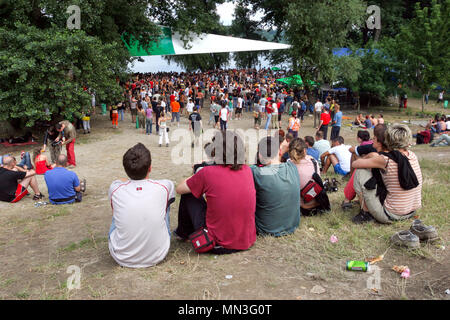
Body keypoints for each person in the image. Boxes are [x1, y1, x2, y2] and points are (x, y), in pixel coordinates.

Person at [174, 131, 256, 254]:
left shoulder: (207, 173)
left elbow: (180, 189)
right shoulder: (247, 170)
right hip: (245, 240)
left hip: (216, 242)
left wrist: (197, 172)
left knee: (189, 194)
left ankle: (183, 233)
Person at [108, 143, 175, 268]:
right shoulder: (165, 186)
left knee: (118, 208)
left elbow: (119, 182)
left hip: (121, 257)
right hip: (158, 255)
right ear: (150, 168)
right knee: (165, 204)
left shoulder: (115, 188)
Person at [351, 124, 423, 224]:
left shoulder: (386, 159)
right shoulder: (412, 155)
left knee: (360, 172)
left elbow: (355, 164)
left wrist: (369, 156)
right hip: (411, 211)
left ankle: (365, 213)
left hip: (391, 215)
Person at [251, 136, 300, 236]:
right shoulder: (292, 167)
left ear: (260, 154)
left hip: (266, 228)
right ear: (280, 152)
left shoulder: (255, 172)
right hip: (292, 225)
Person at [288, 138, 330, 216]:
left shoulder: (288, 165)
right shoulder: (313, 161)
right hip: (315, 201)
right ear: (304, 150)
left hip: (298, 205)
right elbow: (318, 180)